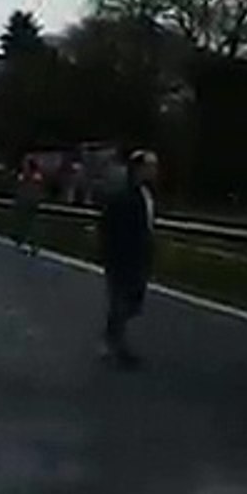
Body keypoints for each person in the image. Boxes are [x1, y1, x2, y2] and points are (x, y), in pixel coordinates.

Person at [98, 150, 158, 368]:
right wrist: (110, 254)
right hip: (122, 257)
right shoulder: (123, 195)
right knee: (121, 302)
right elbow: (108, 226)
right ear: (138, 168)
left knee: (131, 302)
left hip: (139, 256)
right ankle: (116, 345)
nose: (154, 171)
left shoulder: (146, 193)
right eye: (150, 166)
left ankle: (111, 339)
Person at [14, 156, 44, 255]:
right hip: (27, 201)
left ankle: (30, 243)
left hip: (28, 201)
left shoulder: (32, 176)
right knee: (26, 221)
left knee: (29, 222)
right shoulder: (32, 176)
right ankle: (26, 242)